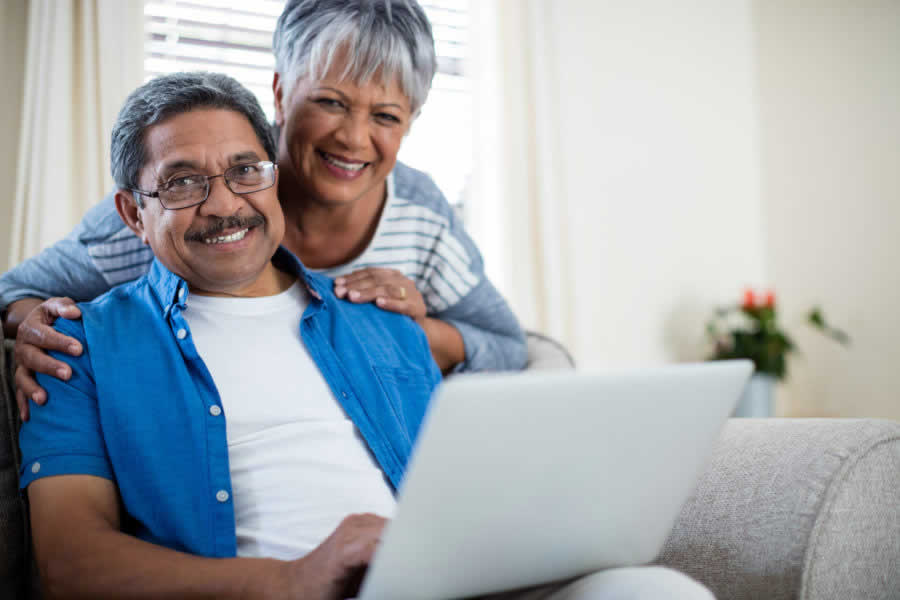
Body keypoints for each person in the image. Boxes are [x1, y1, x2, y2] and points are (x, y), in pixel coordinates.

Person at [20, 71, 713, 600]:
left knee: (659, 590)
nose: (225, 203)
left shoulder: (383, 321)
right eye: (182, 182)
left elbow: (470, 476)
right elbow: (68, 562)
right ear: (132, 214)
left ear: (275, 177)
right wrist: (292, 579)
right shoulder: (76, 348)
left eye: (244, 171)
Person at [0, 0, 528, 422]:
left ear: (410, 121)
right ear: (280, 92)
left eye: (385, 115)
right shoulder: (187, 211)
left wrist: (410, 333)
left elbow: (508, 345)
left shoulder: (422, 216)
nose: (352, 138)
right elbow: (14, 293)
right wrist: (38, 326)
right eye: (330, 102)